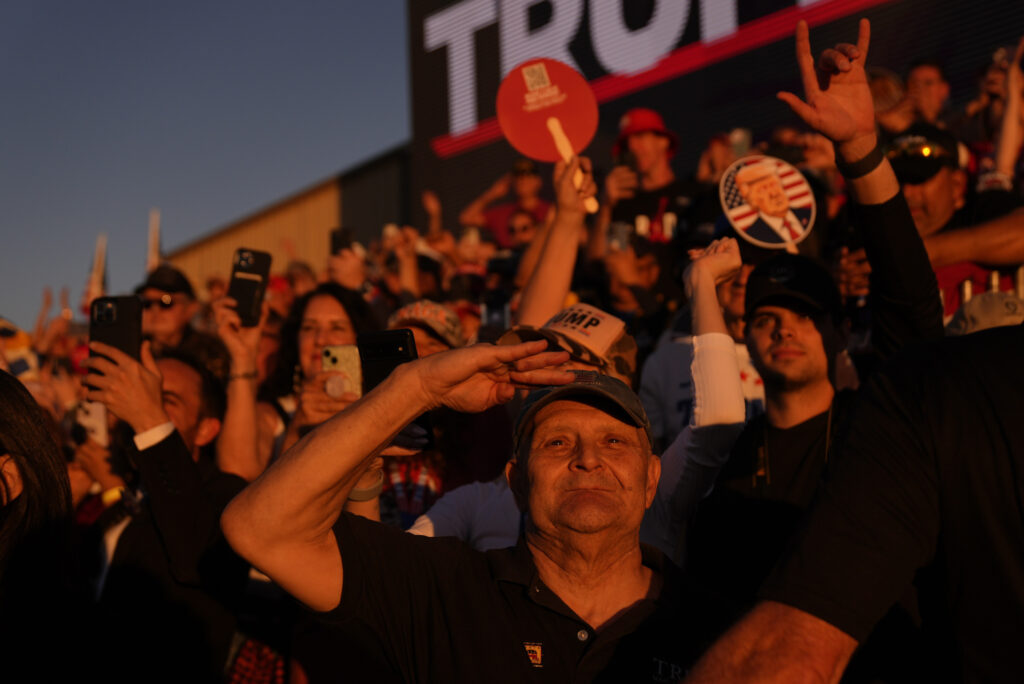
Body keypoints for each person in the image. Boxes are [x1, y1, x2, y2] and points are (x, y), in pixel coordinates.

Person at [222, 342, 731, 682]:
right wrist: (416, 388)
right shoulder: (441, 590)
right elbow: (258, 528)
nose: (588, 459)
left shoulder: (718, 629)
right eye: (557, 442)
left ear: (651, 480)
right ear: (513, 481)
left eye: (614, 441)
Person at [685, 323, 1024, 684]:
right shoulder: (736, 455)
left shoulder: (917, 396)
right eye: (766, 318)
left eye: (804, 317)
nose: (784, 330)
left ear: (839, 333)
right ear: (746, 336)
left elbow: (795, 651)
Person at [84, 341, 249, 678]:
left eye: (167, 400)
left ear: (206, 429)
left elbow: (195, 556)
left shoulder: (228, 496)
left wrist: (149, 418)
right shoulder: (121, 504)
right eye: (145, 393)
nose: (146, 404)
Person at [136, 264, 230, 380]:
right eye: (147, 303)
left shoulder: (211, 353)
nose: (155, 310)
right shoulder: (131, 350)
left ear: (191, 308)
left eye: (166, 302)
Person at [459, 159, 551, 249]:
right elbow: (466, 218)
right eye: (518, 176)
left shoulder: (551, 212)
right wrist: (492, 193)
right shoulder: (503, 213)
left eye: (528, 175)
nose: (523, 179)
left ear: (538, 181)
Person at [733, 160, 812, 247]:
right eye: (763, 189)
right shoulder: (754, 234)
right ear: (752, 201)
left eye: (774, 184)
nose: (774, 194)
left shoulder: (809, 214)